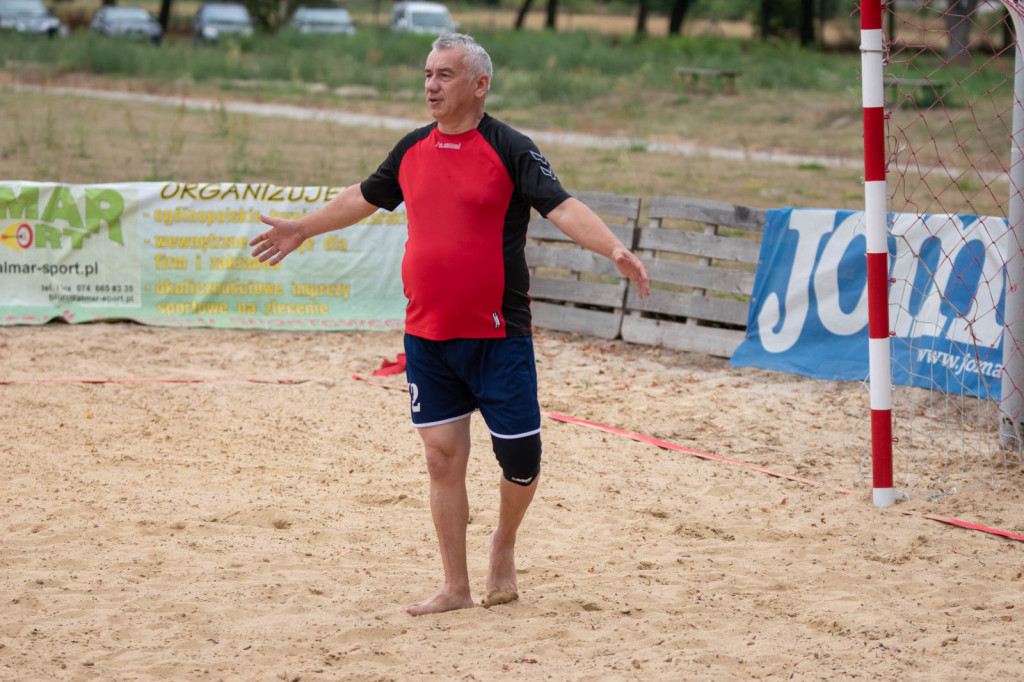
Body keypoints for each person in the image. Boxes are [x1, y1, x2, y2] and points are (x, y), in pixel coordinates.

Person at [250, 33, 651, 616]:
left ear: (479, 85)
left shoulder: (510, 148)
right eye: (428, 74)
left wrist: (613, 248)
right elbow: (364, 197)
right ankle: (456, 586)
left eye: (445, 75)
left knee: (520, 458)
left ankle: (504, 543)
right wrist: (304, 228)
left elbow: (562, 206)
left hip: (498, 336)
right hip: (428, 335)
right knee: (442, 458)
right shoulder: (412, 149)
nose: (431, 85)